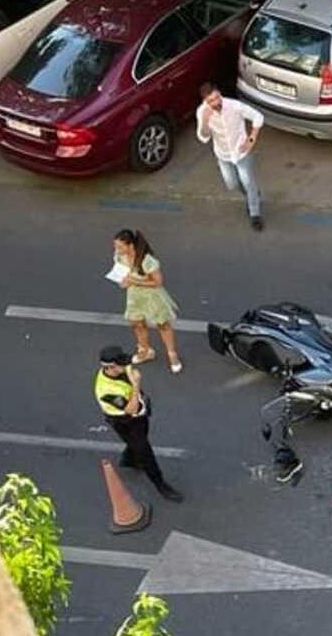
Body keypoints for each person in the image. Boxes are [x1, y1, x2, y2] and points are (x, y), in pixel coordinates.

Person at [94, 345, 184, 502]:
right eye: (122, 363)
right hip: (126, 422)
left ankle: (129, 458)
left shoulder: (119, 368)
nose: (126, 365)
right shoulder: (106, 389)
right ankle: (160, 484)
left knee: (138, 441)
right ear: (110, 367)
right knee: (145, 452)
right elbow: (131, 409)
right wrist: (136, 384)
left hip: (140, 417)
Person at [196, 82, 265, 231]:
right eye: (211, 101)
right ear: (205, 102)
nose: (216, 102)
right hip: (223, 155)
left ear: (220, 93)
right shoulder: (202, 112)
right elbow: (203, 137)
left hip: (241, 152)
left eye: (217, 97)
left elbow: (258, 117)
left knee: (248, 182)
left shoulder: (234, 106)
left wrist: (251, 139)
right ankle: (252, 194)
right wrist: (205, 121)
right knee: (232, 184)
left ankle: (255, 214)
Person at [112, 229, 182, 374]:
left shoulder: (147, 260)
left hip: (152, 296)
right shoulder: (120, 257)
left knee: (162, 324)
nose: (116, 250)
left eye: (119, 247)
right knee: (137, 324)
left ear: (130, 245)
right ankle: (145, 350)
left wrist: (134, 281)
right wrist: (123, 281)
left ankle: (172, 354)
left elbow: (157, 282)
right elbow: (121, 274)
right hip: (134, 296)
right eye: (116, 246)